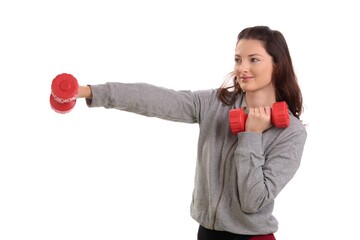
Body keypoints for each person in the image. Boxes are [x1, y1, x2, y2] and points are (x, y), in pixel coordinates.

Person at [76, 26, 307, 240]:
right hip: (206, 233)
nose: (242, 68)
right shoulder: (214, 104)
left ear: (277, 65)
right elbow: (156, 99)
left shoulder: (291, 133)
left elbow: (253, 201)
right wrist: (90, 92)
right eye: (238, 59)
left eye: (253, 59)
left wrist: (251, 136)